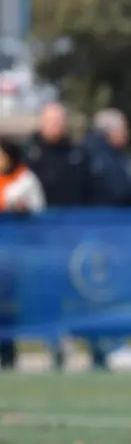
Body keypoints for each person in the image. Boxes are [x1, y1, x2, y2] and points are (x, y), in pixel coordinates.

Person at [0, 140, 45, 371]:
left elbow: (34, 211)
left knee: (10, 306)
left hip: (18, 255)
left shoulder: (25, 180)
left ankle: (9, 353)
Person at [24, 103, 90, 206]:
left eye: (59, 120)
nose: (56, 124)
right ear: (41, 122)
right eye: (51, 120)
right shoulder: (27, 153)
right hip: (37, 218)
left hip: (73, 216)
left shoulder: (77, 154)